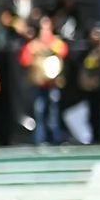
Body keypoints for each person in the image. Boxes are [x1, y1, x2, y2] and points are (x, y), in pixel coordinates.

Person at [18, 15, 68, 146]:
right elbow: (24, 59)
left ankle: (55, 138)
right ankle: (40, 139)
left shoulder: (55, 42)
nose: (44, 31)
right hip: (39, 84)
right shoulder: (33, 45)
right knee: (39, 111)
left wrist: (48, 47)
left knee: (54, 112)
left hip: (53, 84)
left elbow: (63, 50)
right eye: (42, 28)